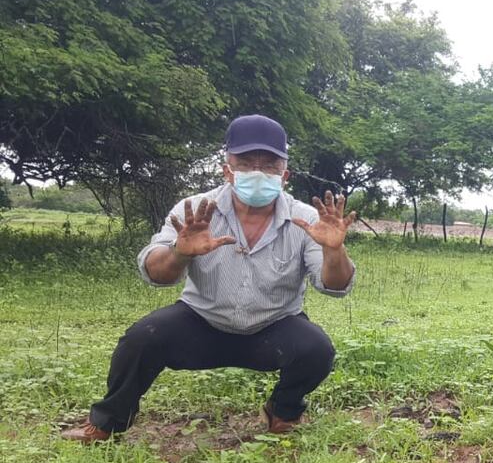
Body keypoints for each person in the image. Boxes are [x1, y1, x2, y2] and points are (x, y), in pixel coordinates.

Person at [61, 115, 357, 443]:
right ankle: (107, 423)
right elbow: (156, 274)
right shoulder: (193, 210)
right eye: (245, 162)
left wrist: (334, 250)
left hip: (273, 327)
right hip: (202, 321)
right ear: (226, 169)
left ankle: (283, 412)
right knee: (142, 339)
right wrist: (180, 252)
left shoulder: (307, 220)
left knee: (317, 349)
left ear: (284, 174)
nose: (257, 172)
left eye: (269, 164)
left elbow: (335, 286)